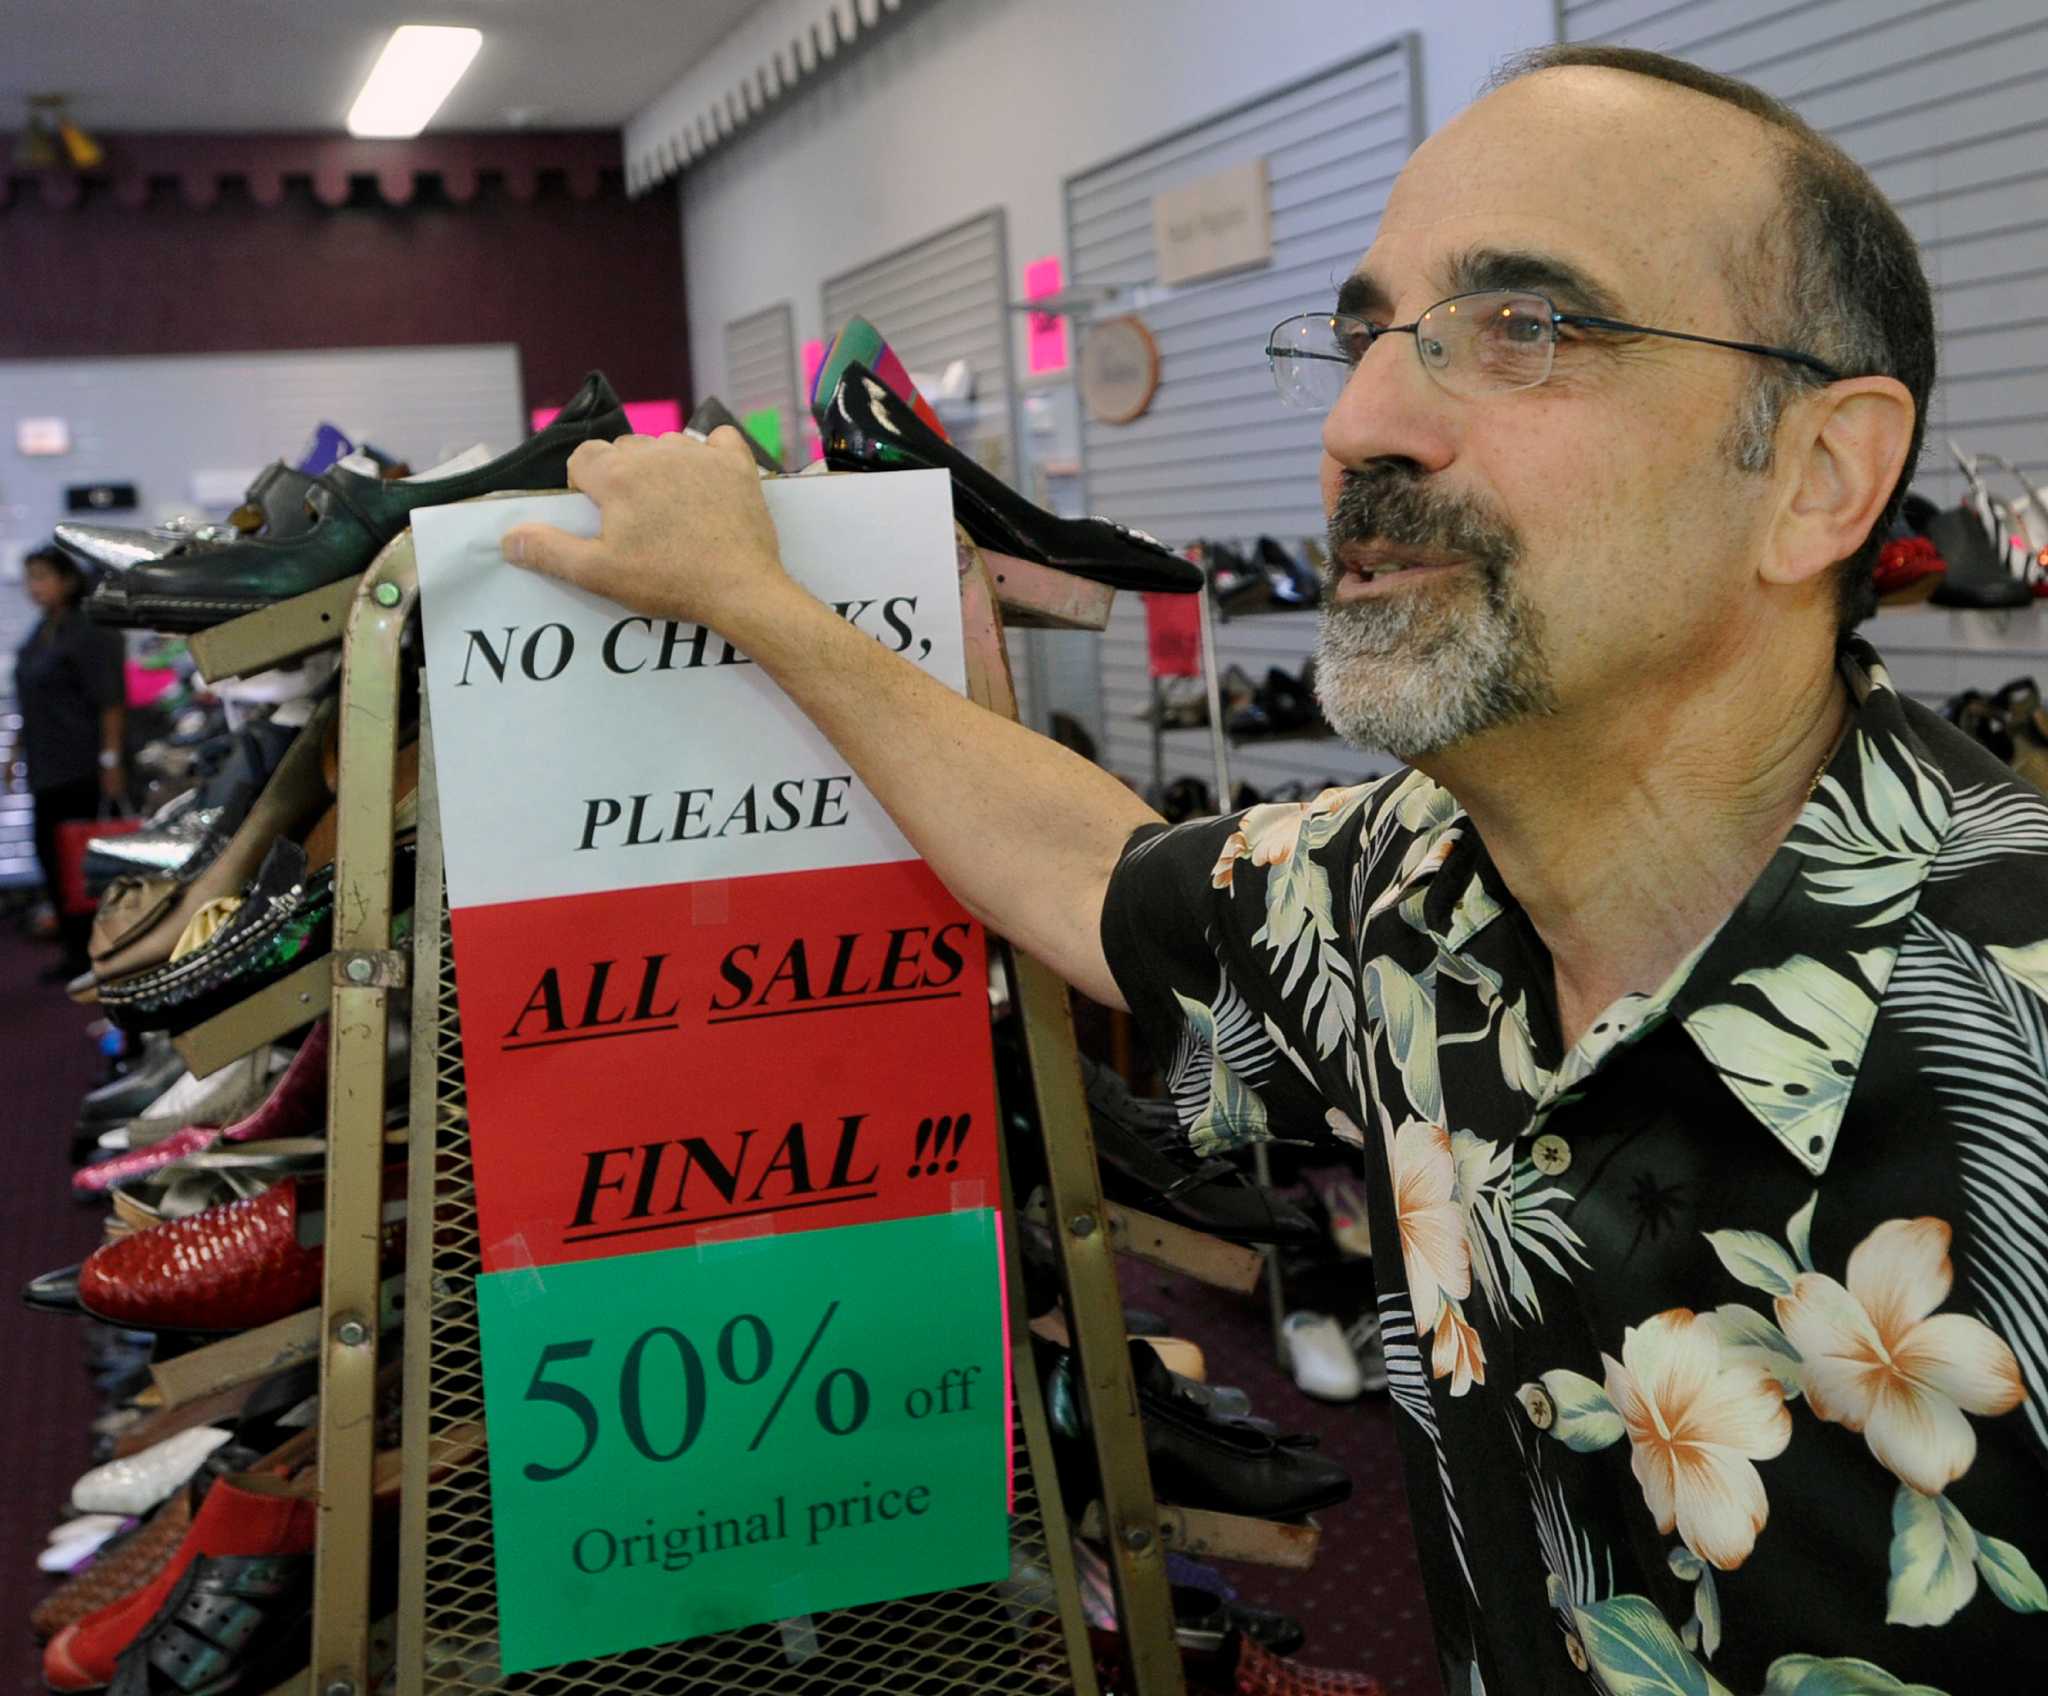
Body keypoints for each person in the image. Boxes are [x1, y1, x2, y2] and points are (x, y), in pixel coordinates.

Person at [497, 45, 2048, 1696]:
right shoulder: (1400, 893)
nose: (1358, 422)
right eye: (1364, 333)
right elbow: (1084, 864)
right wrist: (763, 603)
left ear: (1815, 476)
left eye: (1523, 328)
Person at [5, 544, 126, 979]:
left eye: (41, 577)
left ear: (67, 580)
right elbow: (31, 698)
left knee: (81, 863)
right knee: (52, 860)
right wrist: (15, 752)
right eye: (29, 578)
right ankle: (76, 953)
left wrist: (110, 761)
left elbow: (111, 701)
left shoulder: (87, 630)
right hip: (45, 765)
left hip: (80, 765)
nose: (33, 588)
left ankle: (99, 951)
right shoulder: (42, 632)